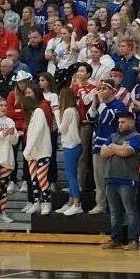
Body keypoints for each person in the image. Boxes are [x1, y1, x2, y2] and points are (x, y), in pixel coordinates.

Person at [100, 111, 140, 250]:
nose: (120, 124)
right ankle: (116, 239)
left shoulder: (137, 137)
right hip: (111, 178)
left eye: (123, 122)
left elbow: (126, 152)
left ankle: (133, 240)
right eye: (119, 122)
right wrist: (118, 148)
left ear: (132, 122)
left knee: (130, 211)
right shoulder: (113, 135)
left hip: (128, 179)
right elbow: (102, 153)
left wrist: (112, 147)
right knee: (114, 212)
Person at [87, 80, 128, 214]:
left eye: (104, 88)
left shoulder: (119, 105)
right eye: (100, 88)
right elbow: (90, 118)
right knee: (98, 178)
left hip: (112, 146)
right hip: (98, 145)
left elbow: (107, 118)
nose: (101, 91)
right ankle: (100, 204)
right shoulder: (100, 104)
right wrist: (94, 102)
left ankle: (113, 207)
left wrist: (101, 104)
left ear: (112, 91)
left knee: (109, 178)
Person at [20, 95, 53, 215]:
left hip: (42, 151)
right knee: (33, 179)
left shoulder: (38, 111)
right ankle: (36, 202)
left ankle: (46, 203)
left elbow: (37, 132)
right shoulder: (31, 115)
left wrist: (27, 150)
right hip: (33, 153)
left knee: (41, 177)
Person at [55, 87, 83, 215]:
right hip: (74, 145)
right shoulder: (74, 110)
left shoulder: (67, 111)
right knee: (71, 175)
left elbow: (61, 129)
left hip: (71, 145)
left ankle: (77, 203)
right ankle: (71, 201)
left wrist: (56, 113)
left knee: (71, 176)